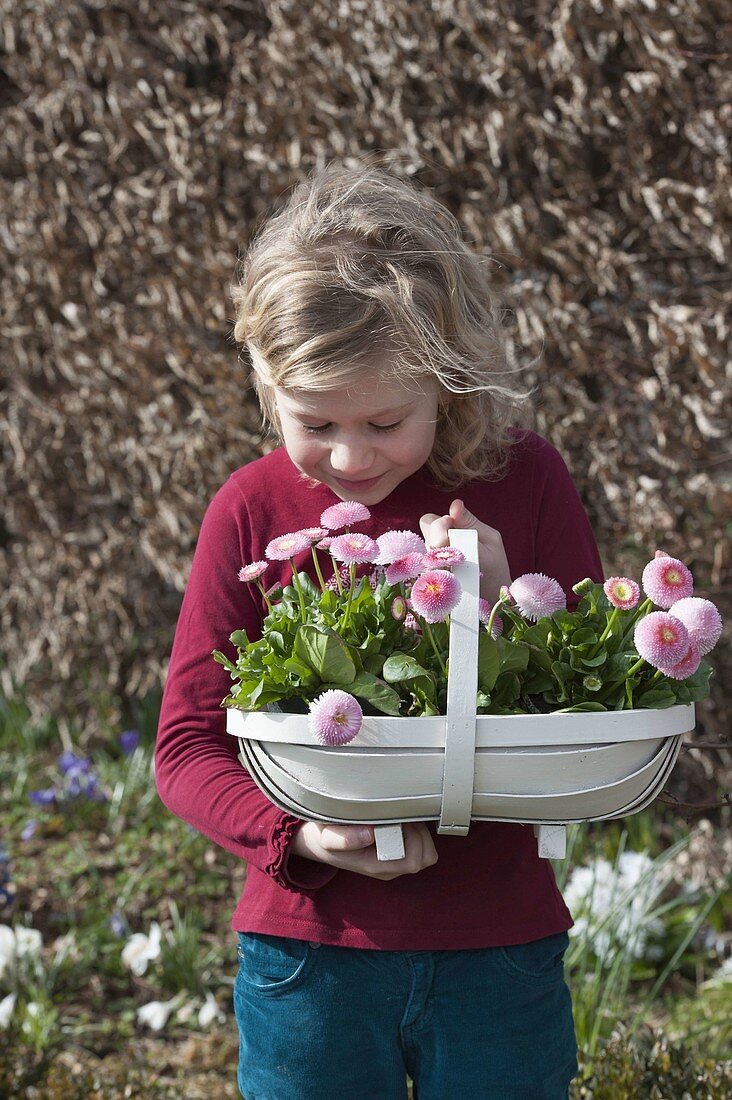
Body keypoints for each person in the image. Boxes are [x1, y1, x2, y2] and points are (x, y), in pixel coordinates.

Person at [155, 160, 605, 1099]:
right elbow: (187, 746)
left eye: (388, 420)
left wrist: (503, 603)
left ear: (452, 380)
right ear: (263, 381)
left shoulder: (523, 484)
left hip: (499, 950)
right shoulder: (248, 509)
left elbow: (592, 710)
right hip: (308, 958)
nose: (352, 457)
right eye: (313, 421)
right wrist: (297, 834)